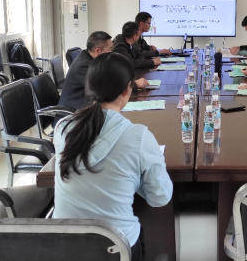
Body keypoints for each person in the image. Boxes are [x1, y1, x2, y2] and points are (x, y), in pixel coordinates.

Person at [54, 53, 173, 261]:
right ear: (127, 89)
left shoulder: (62, 128)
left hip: (64, 248)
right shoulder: (139, 137)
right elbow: (160, 197)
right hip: (117, 248)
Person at [60, 31, 149, 110]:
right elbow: (104, 88)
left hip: (88, 107)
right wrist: (134, 84)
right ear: (97, 51)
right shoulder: (83, 66)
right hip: (74, 114)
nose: (111, 52)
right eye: (109, 49)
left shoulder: (91, 58)